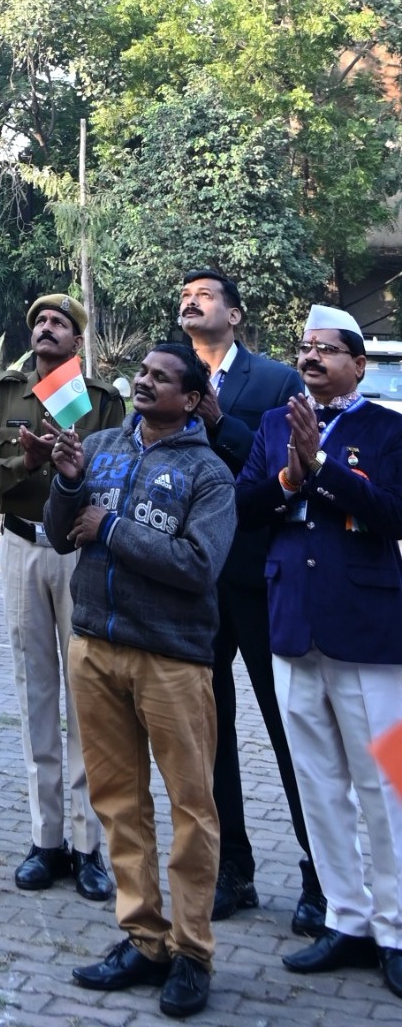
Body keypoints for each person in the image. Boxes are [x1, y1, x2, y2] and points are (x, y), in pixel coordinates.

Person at [45, 343, 236, 1021]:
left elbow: (197, 564)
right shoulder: (99, 445)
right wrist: (68, 481)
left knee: (190, 811)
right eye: (142, 373)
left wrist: (114, 526)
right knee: (118, 802)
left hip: (173, 661)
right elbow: (60, 533)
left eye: (160, 376)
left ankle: (191, 952)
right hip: (93, 647)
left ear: (190, 399)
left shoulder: (208, 473)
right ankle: (143, 938)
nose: (143, 381)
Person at [234, 306, 402, 992]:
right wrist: (285, 476)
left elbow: (391, 513)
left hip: (367, 631)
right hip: (291, 625)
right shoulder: (274, 425)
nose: (309, 359)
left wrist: (320, 467)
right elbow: (246, 504)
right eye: (303, 348)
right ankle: (345, 919)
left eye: (325, 349)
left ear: (357, 363)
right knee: (317, 787)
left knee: (385, 786)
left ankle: (394, 929)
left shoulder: (388, 429)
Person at [175, 267, 320, 932]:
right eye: (184, 295)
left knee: (289, 729)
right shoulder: (167, 374)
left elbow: (281, 474)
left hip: (260, 577)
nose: (189, 301)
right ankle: (233, 868)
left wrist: (217, 422)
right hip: (195, 584)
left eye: (203, 295)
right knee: (208, 736)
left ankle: (320, 875)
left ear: (232, 315)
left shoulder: (275, 383)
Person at [0, 294, 122, 899]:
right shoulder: (6, 392)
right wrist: (24, 464)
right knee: (35, 693)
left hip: (80, 551)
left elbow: (115, 472)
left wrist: (73, 471)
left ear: (77, 340)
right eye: (37, 321)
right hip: (21, 548)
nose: (44, 329)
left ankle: (88, 848)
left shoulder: (102, 401)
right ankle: (45, 841)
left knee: (86, 698)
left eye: (58, 323)